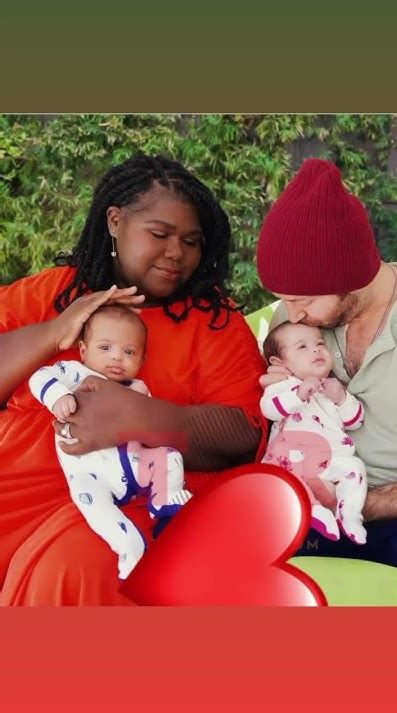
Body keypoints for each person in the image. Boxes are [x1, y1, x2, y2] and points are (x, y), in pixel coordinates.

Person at [0, 154, 268, 605]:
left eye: (192, 241)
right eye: (160, 234)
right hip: (15, 488)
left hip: (130, 500)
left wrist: (141, 418)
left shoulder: (213, 322)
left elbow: (244, 434)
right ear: (115, 220)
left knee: (70, 568)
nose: (176, 253)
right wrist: (53, 332)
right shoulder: (55, 292)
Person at [257, 157, 397, 569]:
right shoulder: (292, 321)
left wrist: (365, 503)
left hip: (393, 511)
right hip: (304, 503)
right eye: (284, 298)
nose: (292, 314)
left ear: (352, 273)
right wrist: (275, 390)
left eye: (302, 300)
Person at [29, 305, 191, 580]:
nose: (117, 356)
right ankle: (130, 547)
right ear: (83, 350)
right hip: (89, 474)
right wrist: (57, 396)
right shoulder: (76, 373)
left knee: (170, 456)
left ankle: (165, 504)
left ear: (142, 359)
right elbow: (40, 377)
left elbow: (151, 430)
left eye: (129, 352)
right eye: (105, 348)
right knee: (96, 510)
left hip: (133, 464)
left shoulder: (138, 389)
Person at [261, 321, 367, 544]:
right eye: (302, 347)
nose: (316, 349)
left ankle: (349, 517)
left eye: (320, 343)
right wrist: (298, 395)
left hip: (328, 461)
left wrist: (342, 398)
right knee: (291, 470)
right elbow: (269, 409)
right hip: (291, 462)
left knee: (355, 468)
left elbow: (355, 421)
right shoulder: (284, 385)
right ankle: (314, 511)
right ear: (279, 362)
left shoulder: (331, 387)